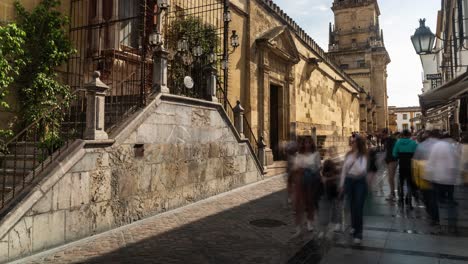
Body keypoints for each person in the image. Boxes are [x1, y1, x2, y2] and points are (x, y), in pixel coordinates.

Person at [426, 134, 461, 233]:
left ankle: (437, 221)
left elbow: (431, 161)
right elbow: (455, 162)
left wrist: (428, 175)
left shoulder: (437, 146)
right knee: (450, 201)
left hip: (438, 178)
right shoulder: (452, 146)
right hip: (449, 179)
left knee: (435, 201)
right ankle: (453, 223)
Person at [339, 136, 369, 245]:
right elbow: (344, 170)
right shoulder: (348, 154)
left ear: (358, 143)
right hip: (349, 181)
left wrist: (356, 158)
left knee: (358, 207)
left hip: (360, 182)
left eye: (354, 141)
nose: (352, 143)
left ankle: (359, 233)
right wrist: (342, 185)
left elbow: (362, 170)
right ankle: (353, 225)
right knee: (351, 205)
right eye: (351, 141)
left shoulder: (363, 156)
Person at [292, 137, 322, 237]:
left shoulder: (316, 154)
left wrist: (311, 169)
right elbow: (295, 168)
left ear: (312, 144)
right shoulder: (299, 154)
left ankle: (310, 221)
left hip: (312, 181)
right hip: (300, 180)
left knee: (310, 202)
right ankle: (298, 228)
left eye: (309, 142)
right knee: (298, 204)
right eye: (305, 143)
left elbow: (319, 167)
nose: (307, 144)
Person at [319, 146, 342, 236]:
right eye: (329, 151)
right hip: (327, 188)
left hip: (336, 187)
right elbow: (322, 173)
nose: (330, 153)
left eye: (332, 151)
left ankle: (338, 223)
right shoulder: (326, 161)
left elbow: (340, 176)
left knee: (337, 206)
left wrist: (328, 178)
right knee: (326, 208)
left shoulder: (339, 161)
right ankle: (323, 228)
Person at [393, 129, 418, 208]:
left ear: (402, 135)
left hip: (402, 165)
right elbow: (417, 154)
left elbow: (394, 154)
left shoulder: (398, 142)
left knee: (401, 181)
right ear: (409, 135)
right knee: (409, 183)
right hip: (410, 165)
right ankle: (409, 199)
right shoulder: (413, 143)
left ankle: (401, 198)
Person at [383, 129, 397, 201]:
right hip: (393, 160)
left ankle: (392, 194)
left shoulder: (389, 140)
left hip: (391, 160)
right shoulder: (393, 139)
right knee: (391, 178)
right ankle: (392, 193)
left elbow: (387, 151)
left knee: (390, 178)